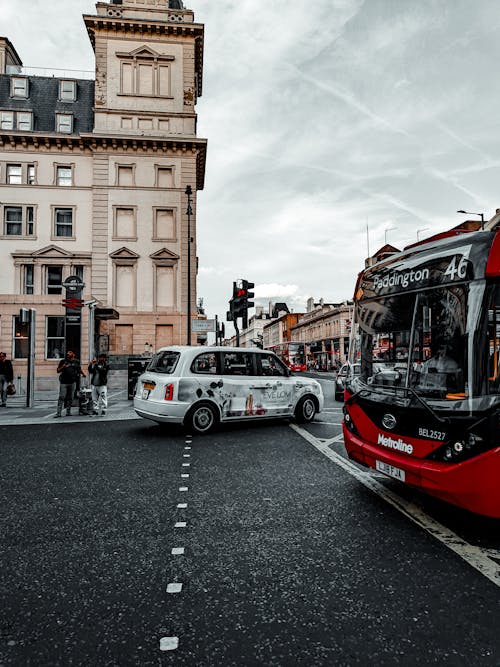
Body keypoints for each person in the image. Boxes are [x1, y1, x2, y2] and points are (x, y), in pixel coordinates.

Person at [55, 350, 85, 417]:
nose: (68, 354)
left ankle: (68, 412)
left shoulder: (76, 361)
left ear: (73, 354)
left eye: (70, 353)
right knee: (62, 397)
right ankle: (58, 412)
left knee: (70, 397)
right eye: (68, 353)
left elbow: (79, 369)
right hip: (64, 382)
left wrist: (83, 374)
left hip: (72, 382)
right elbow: (58, 370)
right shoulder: (63, 361)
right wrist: (63, 367)